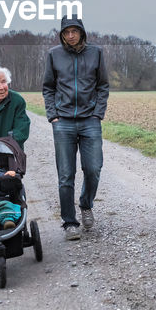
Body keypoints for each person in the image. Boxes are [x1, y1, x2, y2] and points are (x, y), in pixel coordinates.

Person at [42, 16, 110, 241]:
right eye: (66, 32)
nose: (71, 35)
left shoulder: (96, 53)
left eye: (74, 31)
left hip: (90, 120)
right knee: (65, 175)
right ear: (62, 34)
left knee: (93, 168)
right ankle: (69, 222)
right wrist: (53, 115)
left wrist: (98, 113)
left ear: (82, 32)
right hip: (63, 122)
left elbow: (102, 86)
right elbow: (48, 88)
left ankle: (86, 204)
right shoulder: (54, 55)